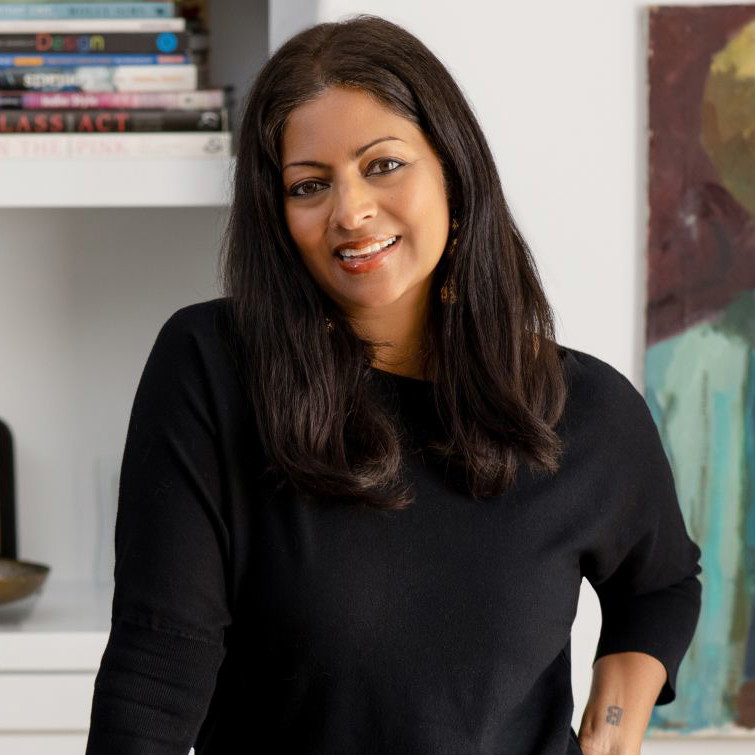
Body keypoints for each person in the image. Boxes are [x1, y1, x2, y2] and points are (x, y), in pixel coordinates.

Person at [85, 14, 703, 755]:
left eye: (382, 164)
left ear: (452, 165)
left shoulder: (588, 410)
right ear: (277, 215)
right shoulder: (213, 368)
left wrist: (612, 724)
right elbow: (154, 675)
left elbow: (660, 583)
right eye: (309, 185)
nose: (350, 212)